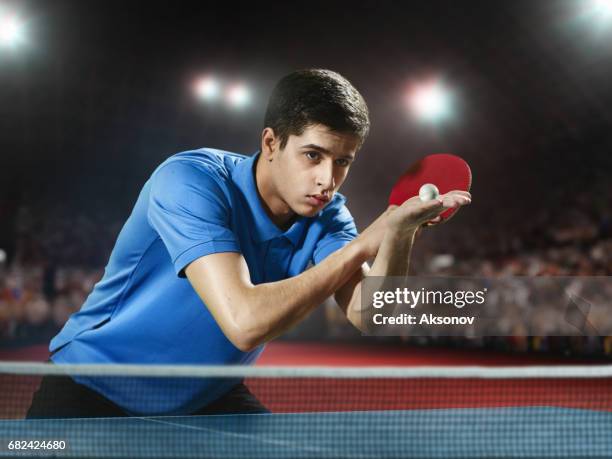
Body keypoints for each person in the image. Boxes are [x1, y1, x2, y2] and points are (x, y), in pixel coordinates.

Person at [27, 69, 471, 418]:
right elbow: (243, 323)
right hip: (90, 384)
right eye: (313, 155)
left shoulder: (328, 214)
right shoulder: (190, 181)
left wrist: (398, 233)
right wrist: (362, 246)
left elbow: (374, 316)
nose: (326, 180)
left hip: (207, 396)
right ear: (271, 142)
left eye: (342, 162)